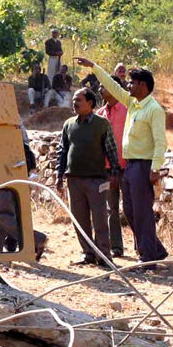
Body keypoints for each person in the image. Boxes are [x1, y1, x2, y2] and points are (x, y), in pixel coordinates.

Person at [76, 57, 167, 268]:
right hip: (130, 165)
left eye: (132, 83)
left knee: (142, 211)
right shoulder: (134, 103)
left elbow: (161, 142)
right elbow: (112, 87)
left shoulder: (154, 109)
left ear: (142, 85)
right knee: (129, 210)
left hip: (143, 165)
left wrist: (155, 168)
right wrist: (94, 68)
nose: (128, 85)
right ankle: (156, 250)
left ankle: (147, 258)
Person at [56, 88, 121, 266]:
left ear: (90, 103)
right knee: (79, 218)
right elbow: (62, 151)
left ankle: (104, 256)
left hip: (96, 179)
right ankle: (88, 253)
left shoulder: (102, 124)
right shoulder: (69, 124)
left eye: (79, 100)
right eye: (74, 100)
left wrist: (115, 172)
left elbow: (111, 149)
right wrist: (59, 175)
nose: (74, 103)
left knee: (99, 218)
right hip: (74, 179)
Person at [0, 124, 47, 260]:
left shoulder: (4, 125)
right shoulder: (6, 122)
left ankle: (35, 238)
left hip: (4, 173)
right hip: (2, 172)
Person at [96, 81, 128, 257]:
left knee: (132, 209)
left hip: (128, 167)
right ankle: (116, 247)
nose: (100, 90)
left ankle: (145, 249)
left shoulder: (128, 110)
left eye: (104, 86)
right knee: (111, 209)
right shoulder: (100, 115)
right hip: (107, 170)